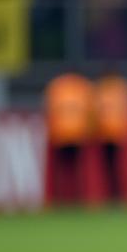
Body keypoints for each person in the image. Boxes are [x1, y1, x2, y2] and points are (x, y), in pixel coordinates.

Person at [44, 71, 94, 205]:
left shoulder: (57, 87)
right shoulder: (83, 87)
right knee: (74, 169)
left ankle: (61, 198)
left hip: (63, 134)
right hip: (74, 134)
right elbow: (90, 112)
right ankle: (74, 198)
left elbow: (50, 110)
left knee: (64, 170)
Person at [94, 70, 127, 203]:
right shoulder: (121, 88)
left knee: (112, 168)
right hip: (112, 133)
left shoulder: (103, 89)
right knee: (113, 168)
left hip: (109, 133)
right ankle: (115, 195)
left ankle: (115, 195)